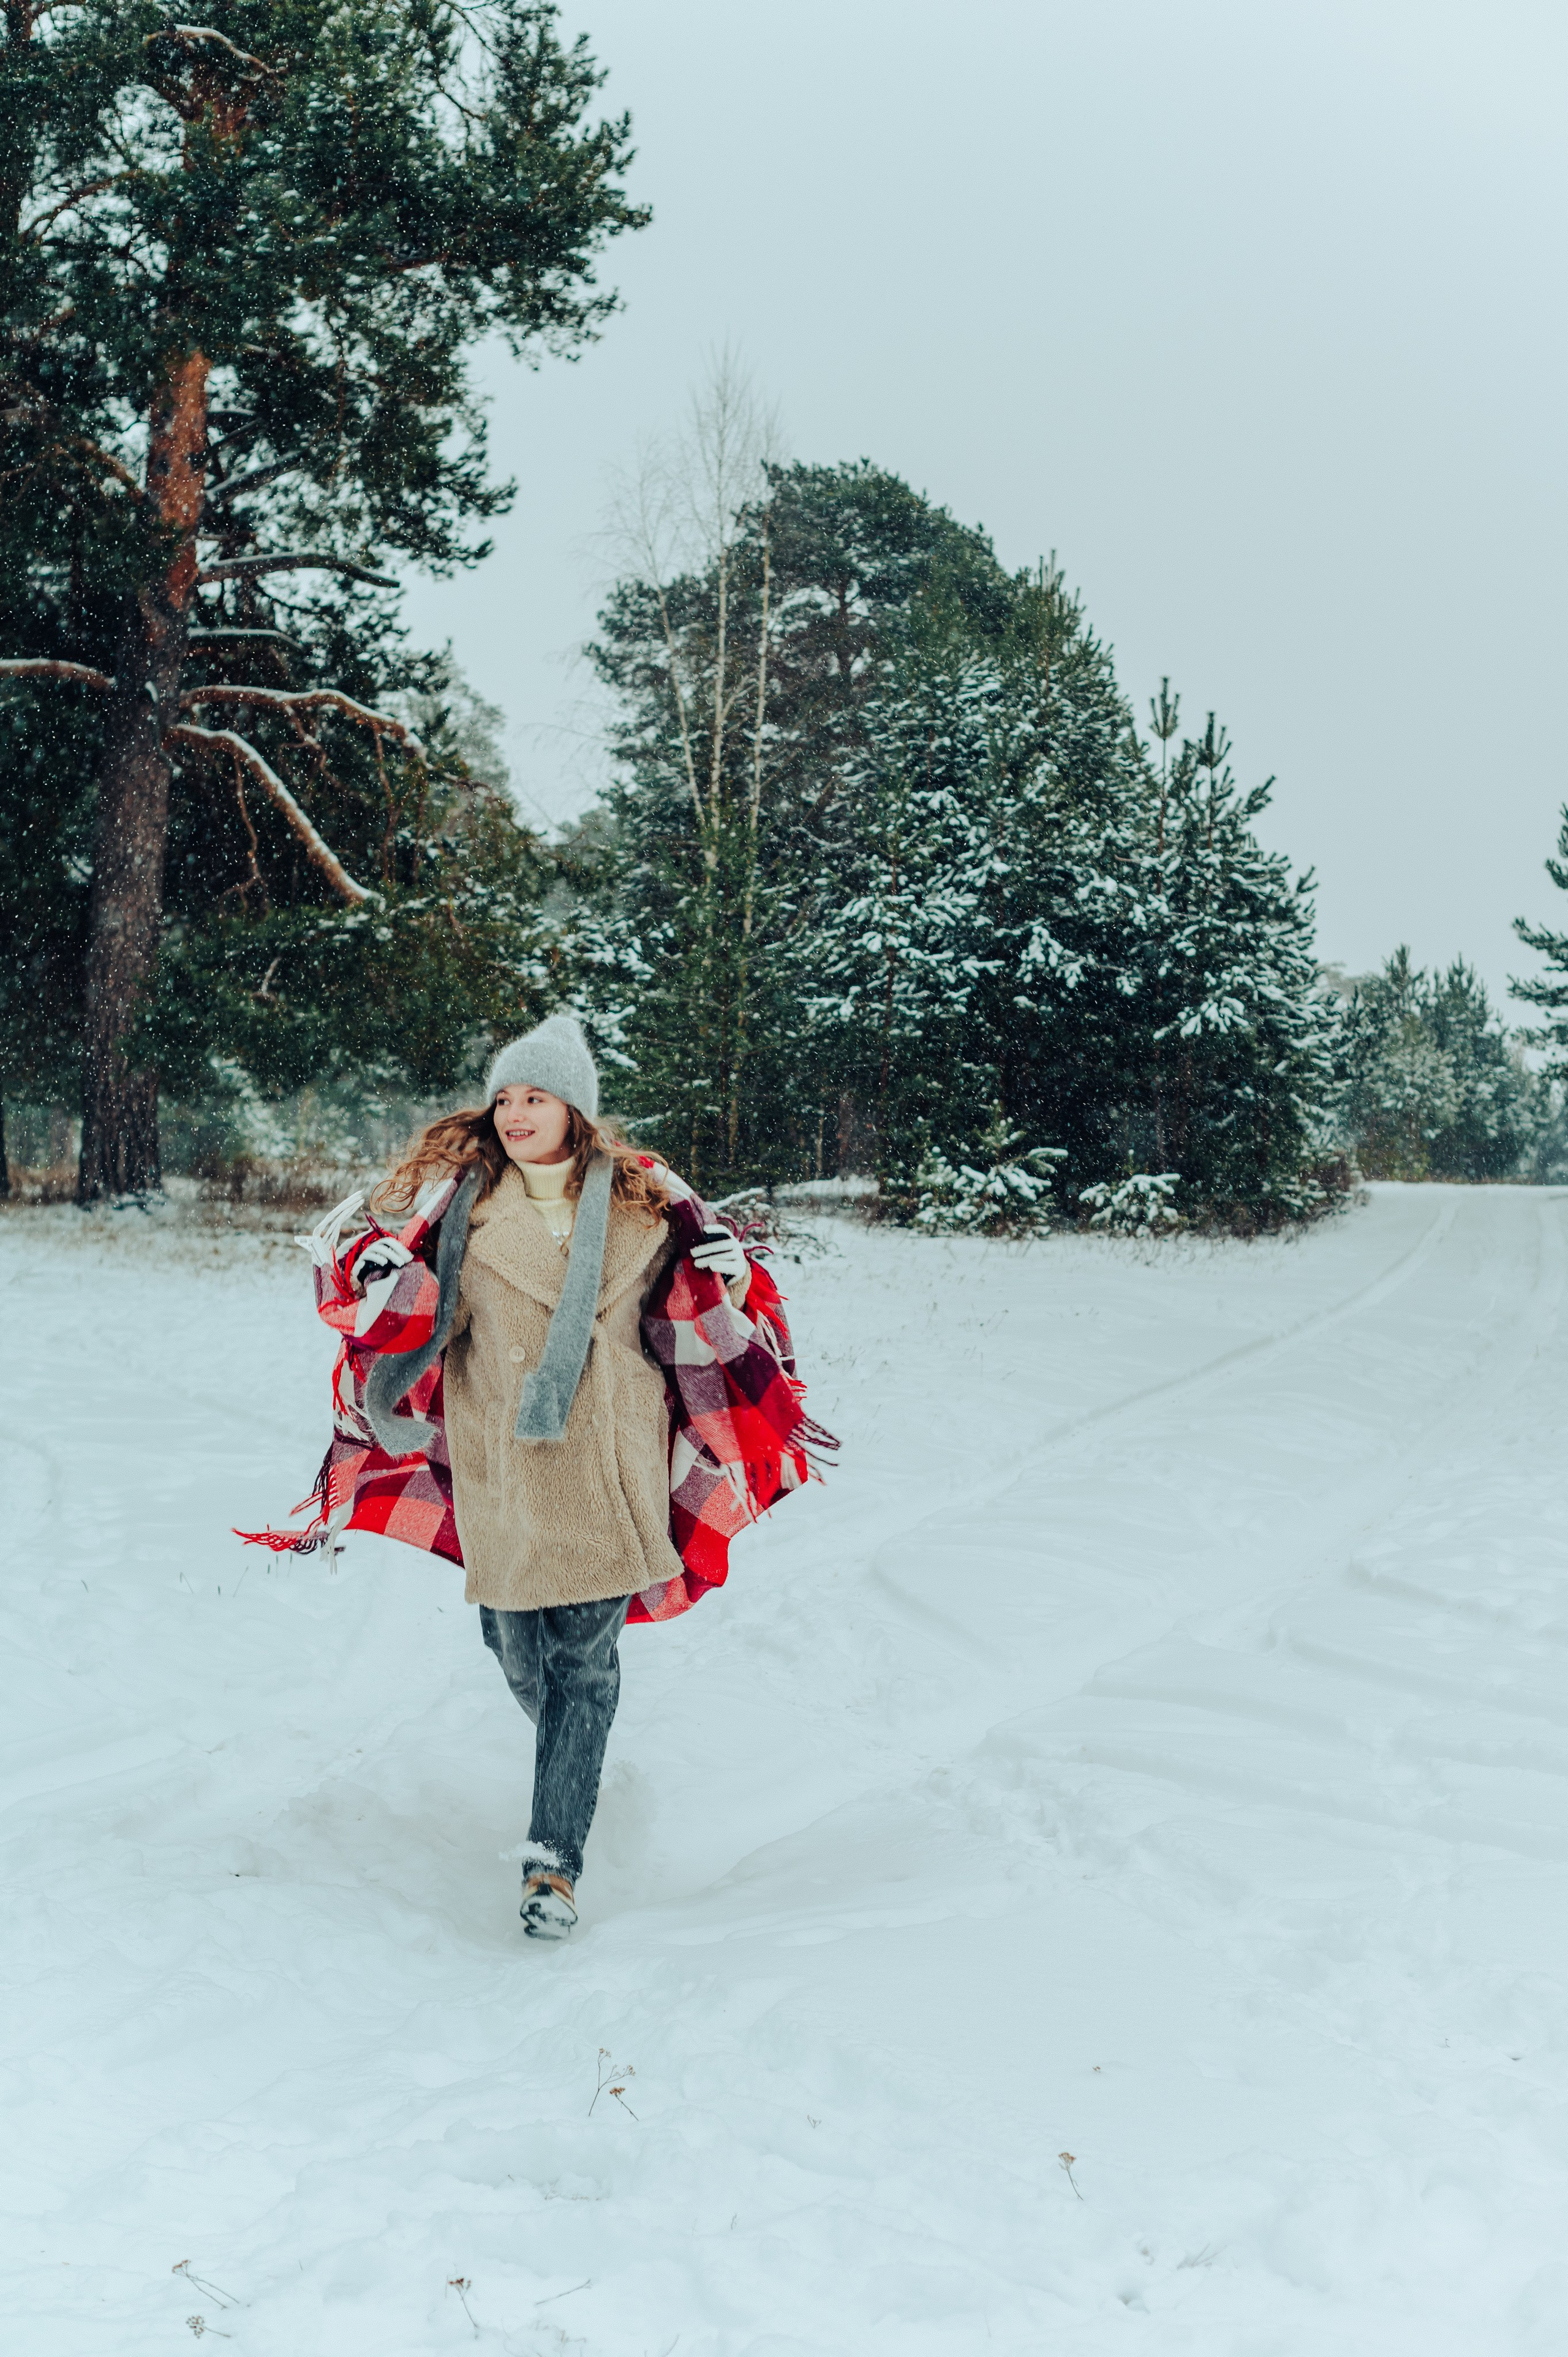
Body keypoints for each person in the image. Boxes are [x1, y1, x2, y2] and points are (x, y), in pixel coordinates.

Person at [353, 1015, 750, 1940]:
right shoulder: (461, 1213)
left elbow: (695, 1316)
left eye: (535, 1096)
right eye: (504, 1098)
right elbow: (417, 1318)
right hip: (504, 1463)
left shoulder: (648, 1208)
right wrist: (383, 1284)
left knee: (583, 1666)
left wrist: (728, 1281)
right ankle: (577, 1752)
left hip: (610, 1457)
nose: (515, 1113)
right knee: (517, 1653)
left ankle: (553, 1864)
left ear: (576, 1108)